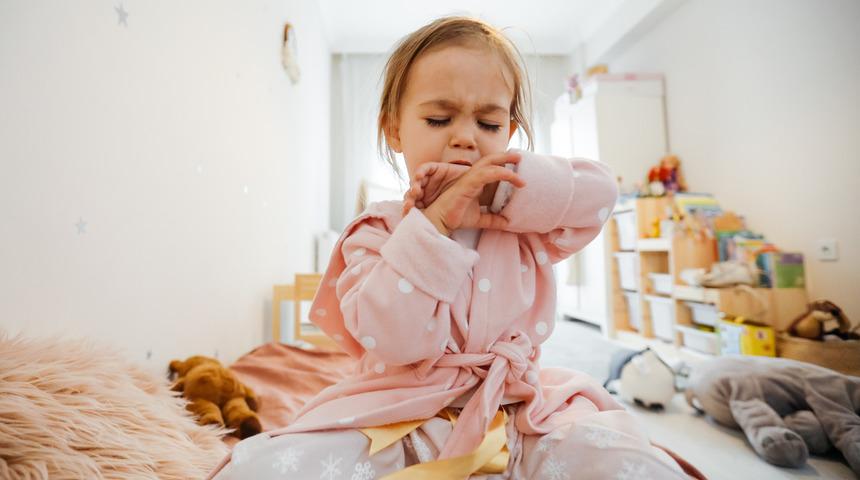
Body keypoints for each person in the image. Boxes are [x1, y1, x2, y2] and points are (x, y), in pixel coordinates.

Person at [209, 16, 697, 480]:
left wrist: (506, 191)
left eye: (488, 125)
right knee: (267, 467)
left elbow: (600, 193)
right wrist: (434, 225)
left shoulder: (525, 219)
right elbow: (396, 339)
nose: (465, 138)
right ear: (394, 131)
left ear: (511, 132)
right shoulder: (378, 227)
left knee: (631, 462)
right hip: (398, 414)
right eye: (440, 118)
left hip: (520, 411)